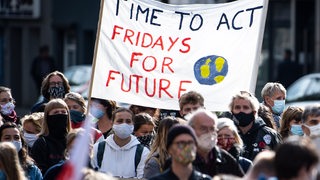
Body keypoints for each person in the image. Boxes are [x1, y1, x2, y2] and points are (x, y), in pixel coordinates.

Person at [91, 107, 150, 178]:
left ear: (133, 124)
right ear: (112, 123)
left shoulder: (143, 152)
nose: (124, 124)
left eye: (128, 121)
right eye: (120, 121)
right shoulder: (97, 148)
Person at [186, 108, 244, 177]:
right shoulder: (180, 158)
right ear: (191, 130)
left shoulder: (225, 158)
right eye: (203, 128)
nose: (209, 133)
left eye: (212, 129)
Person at [229, 91, 282, 161]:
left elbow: (281, 162)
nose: (241, 111)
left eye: (245, 107)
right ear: (232, 111)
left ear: (254, 112)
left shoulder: (270, 135)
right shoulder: (226, 135)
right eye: (237, 107)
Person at [31, 98, 72, 175]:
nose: (60, 115)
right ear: (48, 117)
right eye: (56, 112)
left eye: (63, 112)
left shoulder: (73, 141)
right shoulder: (41, 143)